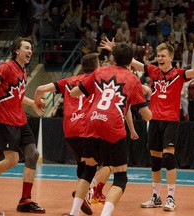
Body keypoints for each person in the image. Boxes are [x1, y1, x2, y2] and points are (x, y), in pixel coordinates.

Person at [95, 36, 194, 212]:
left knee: (168, 157)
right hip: (154, 120)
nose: (161, 58)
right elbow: (131, 61)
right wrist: (114, 49)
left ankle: (171, 197)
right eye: (159, 55)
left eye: (163, 55)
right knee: (155, 161)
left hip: (170, 120)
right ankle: (156, 196)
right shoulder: (154, 71)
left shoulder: (178, 74)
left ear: (171, 57)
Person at [67, 42, 152, 216]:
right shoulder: (133, 79)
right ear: (131, 61)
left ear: (113, 58)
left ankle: (73, 213)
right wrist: (150, 97)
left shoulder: (100, 71)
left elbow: (74, 92)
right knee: (121, 177)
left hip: (92, 122)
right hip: (113, 126)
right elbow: (146, 115)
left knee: (89, 169)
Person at [0, 37, 45, 213]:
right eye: (26, 47)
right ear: (17, 51)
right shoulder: (6, 67)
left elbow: (15, 94)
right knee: (13, 159)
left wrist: (32, 102)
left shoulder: (23, 71)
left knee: (32, 154)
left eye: (31, 48)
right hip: (5, 120)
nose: (30, 51)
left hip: (20, 120)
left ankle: (25, 200)